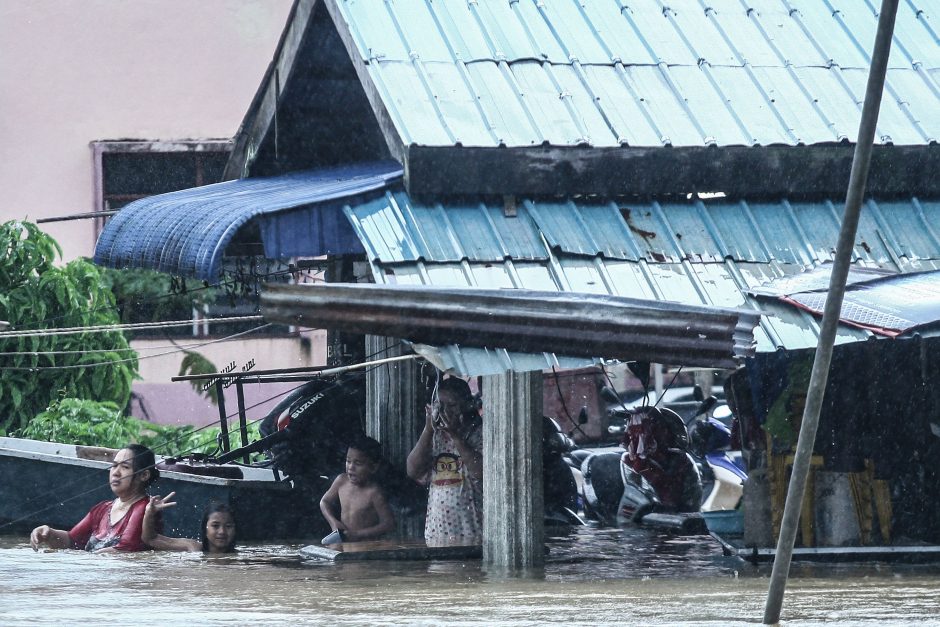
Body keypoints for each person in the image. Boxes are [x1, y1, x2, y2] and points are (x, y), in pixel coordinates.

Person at [29, 443, 160, 552]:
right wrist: (48, 534)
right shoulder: (102, 509)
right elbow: (72, 541)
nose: (116, 472)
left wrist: (83, 560)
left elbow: (124, 550)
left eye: (125, 467)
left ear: (144, 475)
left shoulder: (146, 508)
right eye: (114, 466)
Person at [406, 377, 483, 547]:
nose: (445, 412)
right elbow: (413, 471)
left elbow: (481, 472)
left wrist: (456, 435)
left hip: (473, 529)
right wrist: (428, 429)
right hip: (437, 531)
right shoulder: (434, 435)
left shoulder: (479, 431)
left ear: (467, 405)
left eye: (452, 406)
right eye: (440, 406)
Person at [319, 435, 395, 542]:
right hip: (344, 544)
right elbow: (324, 502)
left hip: (366, 548)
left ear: (373, 467)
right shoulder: (341, 481)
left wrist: (358, 534)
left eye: (358, 463)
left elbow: (389, 524)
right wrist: (334, 523)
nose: (351, 467)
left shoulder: (374, 492)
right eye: (348, 461)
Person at [142, 492, 237, 554]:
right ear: (205, 528)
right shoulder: (193, 547)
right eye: (215, 526)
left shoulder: (242, 559)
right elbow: (151, 539)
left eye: (228, 526)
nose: (222, 531)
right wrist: (149, 513)